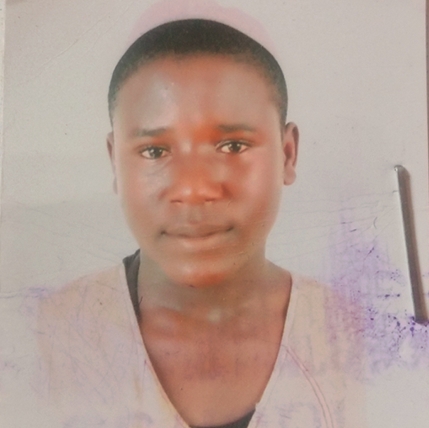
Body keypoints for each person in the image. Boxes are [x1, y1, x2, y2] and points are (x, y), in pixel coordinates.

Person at [32, 18, 364, 428]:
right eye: (154, 151)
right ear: (114, 161)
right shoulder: (46, 337)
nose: (193, 189)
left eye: (233, 146)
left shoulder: (358, 336)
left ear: (288, 153)